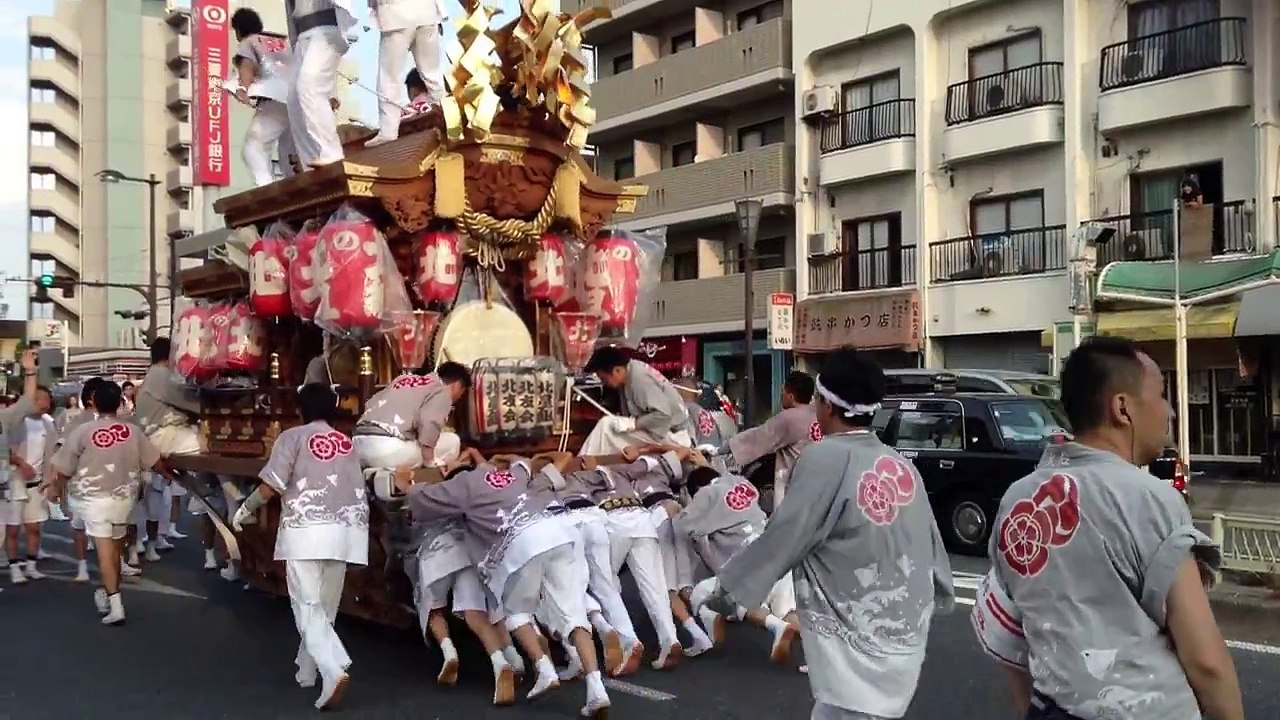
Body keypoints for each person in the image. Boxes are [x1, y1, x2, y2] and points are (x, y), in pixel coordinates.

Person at [972, 337, 1243, 720]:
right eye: (1162, 394)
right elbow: (1206, 662)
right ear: (1122, 408)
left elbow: (1006, 634)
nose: (1169, 411)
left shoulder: (1018, 498)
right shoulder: (1150, 498)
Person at [708, 348, 954, 720]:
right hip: (905, 634)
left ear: (825, 405)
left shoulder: (825, 457)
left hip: (857, 644)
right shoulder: (900, 464)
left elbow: (784, 537)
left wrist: (727, 592)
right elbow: (930, 545)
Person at [396, 456, 612, 717]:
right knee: (574, 615)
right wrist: (494, 458)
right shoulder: (512, 474)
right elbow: (525, 463)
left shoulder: (463, 483)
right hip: (560, 533)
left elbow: (422, 499)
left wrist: (404, 484)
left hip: (522, 541)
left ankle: (544, 669)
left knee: (515, 611)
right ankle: (596, 690)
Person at [231, 383, 367, 710]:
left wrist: (244, 509)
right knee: (325, 605)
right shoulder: (347, 444)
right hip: (346, 530)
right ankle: (309, 668)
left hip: (306, 530)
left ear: (301, 409)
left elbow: (270, 487)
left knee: (307, 605)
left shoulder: (292, 437)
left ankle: (333, 668)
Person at [401, 434, 522, 704]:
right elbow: (483, 471)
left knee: (432, 606)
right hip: (467, 550)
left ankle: (449, 653)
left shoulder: (438, 495)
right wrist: (474, 455)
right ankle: (502, 659)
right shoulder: (478, 493)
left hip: (436, 554)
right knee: (476, 612)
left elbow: (408, 492)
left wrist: (404, 478)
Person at [48, 381, 173, 625]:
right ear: (119, 403)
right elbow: (155, 461)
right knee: (115, 549)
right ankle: (108, 593)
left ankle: (115, 604)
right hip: (124, 499)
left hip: (94, 499)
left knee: (106, 552)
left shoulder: (83, 431)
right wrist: (171, 474)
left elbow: (63, 467)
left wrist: (55, 488)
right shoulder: (133, 431)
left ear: (93, 401)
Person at [679, 464, 799, 664]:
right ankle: (820, 662)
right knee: (787, 610)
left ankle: (776, 627)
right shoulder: (741, 482)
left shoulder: (706, 494)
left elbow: (683, 526)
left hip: (748, 556)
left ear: (697, 490)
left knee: (708, 594)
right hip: (775, 546)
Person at [702, 370, 821, 509]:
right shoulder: (819, 414)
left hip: (795, 482)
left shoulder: (789, 418)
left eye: (783, 392)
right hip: (821, 481)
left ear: (791, 396)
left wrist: (718, 450)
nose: (781, 395)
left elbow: (757, 437)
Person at [353, 361, 471, 470]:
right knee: (452, 441)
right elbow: (429, 422)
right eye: (462, 392)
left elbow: (370, 403)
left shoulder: (402, 379)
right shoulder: (443, 390)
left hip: (357, 446)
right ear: (457, 385)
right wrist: (429, 461)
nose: (459, 397)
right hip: (387, 450)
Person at [1, 351, 55, 585]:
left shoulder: (8, 418)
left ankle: (27, 565)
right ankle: (13, 566)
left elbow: (25, 401)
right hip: (12, 482)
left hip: (15, 484)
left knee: (27, 527)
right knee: (8, 531)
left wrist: (30, 371)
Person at [285, 0, 357, 169]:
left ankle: (332, 154)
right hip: (302, 36)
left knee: (309, 85)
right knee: (294, 100)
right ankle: (309, 161)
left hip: (326, 30)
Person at [580, 346, 692, 455]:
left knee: (606, 426)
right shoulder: (631, 372)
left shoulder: (639, 379)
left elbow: (663, 414)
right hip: (664, 431)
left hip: (674, 436)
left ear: (617, 370)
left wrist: (633, 424)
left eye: (604, 379)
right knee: (610, 429)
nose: (604, 383)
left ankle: (581, 464)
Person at [230, 7, 298, 187]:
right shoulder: (284, 41)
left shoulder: (249, 41)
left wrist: (242, 89)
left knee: (254, 146)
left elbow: (247, 65)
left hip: (277, 99)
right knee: (291, 154)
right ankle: (300, 191)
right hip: (303, 97)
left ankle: (266, 188)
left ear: (238, 29)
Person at [365, 0, 447, 147]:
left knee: (390, 77)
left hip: (396, 14)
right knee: (432, 73)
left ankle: (388, 132)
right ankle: (447, 118)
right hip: (427, 13)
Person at [58, 377, 108, 582]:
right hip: (82, 483)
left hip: (109, 482)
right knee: (79, 527)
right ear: (89, 397)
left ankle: (114, 564)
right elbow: (64, 450)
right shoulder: (78, 422)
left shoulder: (114, 420)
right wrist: (57, 482)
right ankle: (82, 566)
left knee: (108, 528)